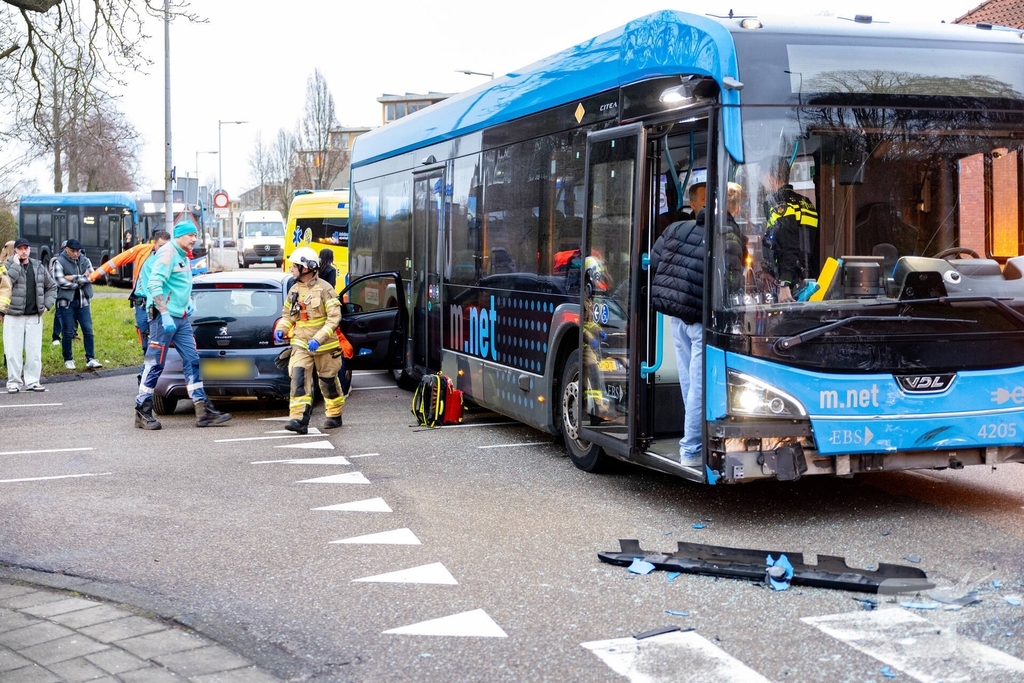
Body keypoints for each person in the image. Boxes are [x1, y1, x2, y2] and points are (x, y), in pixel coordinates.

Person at [134, 219, 232, 430]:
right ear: (179, 235)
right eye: (190, 235)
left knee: (192, 359)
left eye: (195, 235)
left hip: (181, 318)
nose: (194, 240)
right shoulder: (168, 253)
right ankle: (142, 411)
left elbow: (181, 284)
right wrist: (165, 313)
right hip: (163, 319)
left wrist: (187, 302)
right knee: (154, 364)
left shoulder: (183, 256)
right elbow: (154, 283)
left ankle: (202, 410)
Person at [650, 206, 705, 468]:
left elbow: (653, 260)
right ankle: (692, 449)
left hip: (675, 315)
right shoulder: (724, 234)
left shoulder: (674, 229)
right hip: (699, 318)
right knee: (699, 384)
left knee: (688, 382)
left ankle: (692, 441)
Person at [274, 246, 348, 435]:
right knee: (298, 378)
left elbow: (334, 318)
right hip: (300, 344)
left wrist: (318, 338)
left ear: (306, 268)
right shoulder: (294, 290)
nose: (291, 269)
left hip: (325, 346)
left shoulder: (326, 289)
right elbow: (287, 315)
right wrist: (282, 329)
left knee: (327, 382)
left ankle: (334, 414)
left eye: (294, 266)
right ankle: (299, 420)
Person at [90, 230, 171, 349]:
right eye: (161, 246)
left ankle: (154, 365)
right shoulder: (142, 250)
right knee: (145, 339)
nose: (164, 250)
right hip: (141, 302)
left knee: (156, 342)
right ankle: (148, 365)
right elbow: (117, 260)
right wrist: (94, 276)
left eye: (167, 246)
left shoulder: (172, 257)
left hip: (157, 303)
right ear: (154, 244)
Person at [1, 238, 58, 393]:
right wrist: (16, 267)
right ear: (15, 251)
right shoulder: (6, 266)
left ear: (30, 250)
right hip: (13, 315)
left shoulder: (38, 266)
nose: (24, 251)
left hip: (34, 316)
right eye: (20, 249)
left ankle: (33, 381)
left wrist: (47, 304)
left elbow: (52, 286)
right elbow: (5, 285)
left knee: (34, 351)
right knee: (13, 351)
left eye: (26, 248)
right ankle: (14, 382)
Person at [760, 157, 819, 303]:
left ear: (770, 177)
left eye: (761, 178)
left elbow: (789, 245)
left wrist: (784, 283)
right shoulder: (806, 202)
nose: (762, 184)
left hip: (790, 286)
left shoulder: (780, 205)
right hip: (806, 276)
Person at [51, 239, 102, 370]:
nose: (76, 254)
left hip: (83, 301)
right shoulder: (59, 261)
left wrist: (72, 277)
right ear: (66, 249)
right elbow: (60, 282)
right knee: (67, 332)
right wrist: (81, 279)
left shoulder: (85, 260)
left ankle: (90, 358)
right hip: (66, 302)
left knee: (88, 330)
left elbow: (92, 276)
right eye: (73, 251)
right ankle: (68, 359)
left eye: (78, 251)